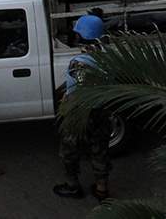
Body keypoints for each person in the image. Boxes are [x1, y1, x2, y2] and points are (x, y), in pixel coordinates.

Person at [53, 14, 112, 201]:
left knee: (69, 150)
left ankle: (72, 186)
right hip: (101, 111)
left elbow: (75, 89)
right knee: (99, 149)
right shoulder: (108, 59)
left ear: (80, 36)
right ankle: (101, 189)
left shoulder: (78, 63)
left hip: (79, 113)